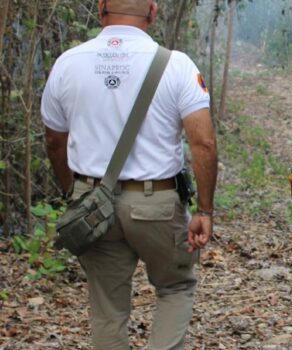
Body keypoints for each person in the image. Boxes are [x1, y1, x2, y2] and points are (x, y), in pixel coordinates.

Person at [41, 1, 217, 349]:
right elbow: (204, 143)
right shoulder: (176, 65)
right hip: (157, 204)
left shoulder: (68, 63)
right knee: (175, 286)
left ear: (101, 9)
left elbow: (53, 140)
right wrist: (205, 211)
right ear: (152, 12)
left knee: (107, 306)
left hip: (92, 203)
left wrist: (72, 192)